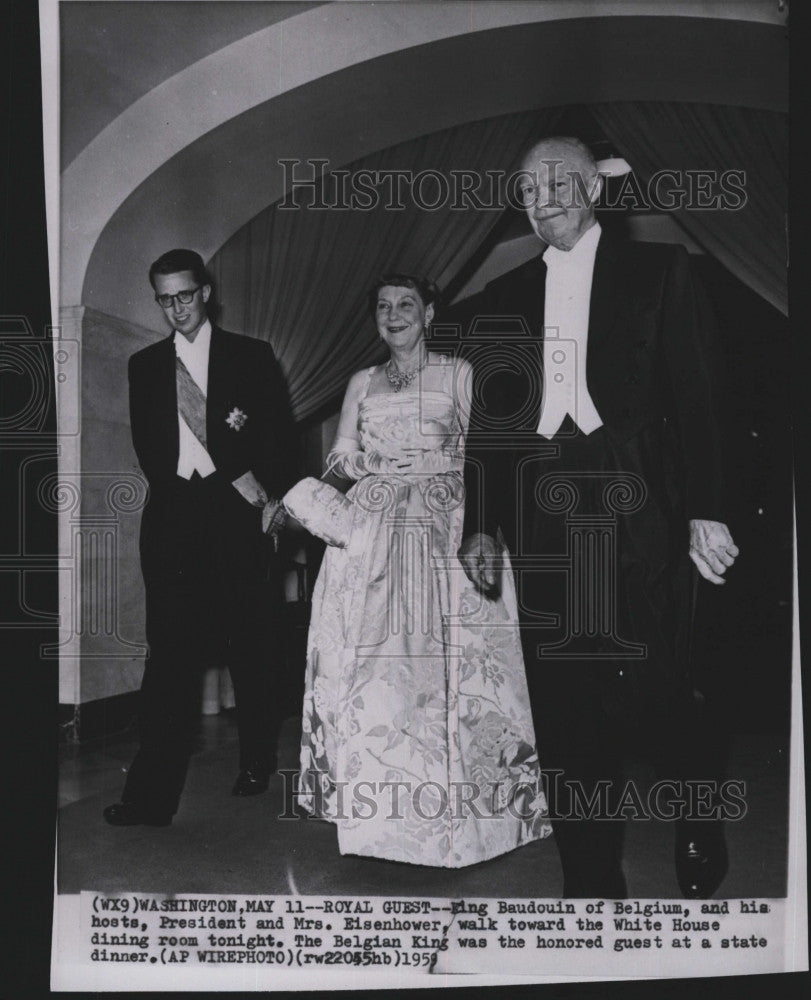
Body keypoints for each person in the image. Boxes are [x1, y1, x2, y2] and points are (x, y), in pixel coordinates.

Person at [458, 137, 739, 897]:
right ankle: (587, 872)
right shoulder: (504, 294)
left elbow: (701, 400)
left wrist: (706, 513)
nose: (540, 196)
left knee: (667, 683)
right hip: (544, 506)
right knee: (563, 696)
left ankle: (695, 820)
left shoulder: (660, 271)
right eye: (525, 187)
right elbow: (491, 423)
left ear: (594, 188)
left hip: (641, 493)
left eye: (556, 181)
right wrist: (479, 525)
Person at [284, 274, 550, 866]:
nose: (394, 314)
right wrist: (312, 493)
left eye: (406, 304)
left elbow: (487, 450)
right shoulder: (361, 380)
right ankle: (379, 824)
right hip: (374, 531)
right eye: (383, 306)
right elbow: (345, 458)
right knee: (370, 674)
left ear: (429, 313)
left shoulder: (460, 372)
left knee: (454, 676)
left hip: (444, 525)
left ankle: (468, 826)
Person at [103, 249, 295, 827]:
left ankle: (257, 758)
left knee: (250, 645)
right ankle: (150, 799)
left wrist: (266, 498)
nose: (176, 308)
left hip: (239, 513)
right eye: (164, 299)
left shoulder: (251, 356)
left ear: (206, 291)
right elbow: (151, 447)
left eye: (185, 295)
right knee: (169, 660)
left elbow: (279, 440)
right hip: (174, 518)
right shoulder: (144, 365)